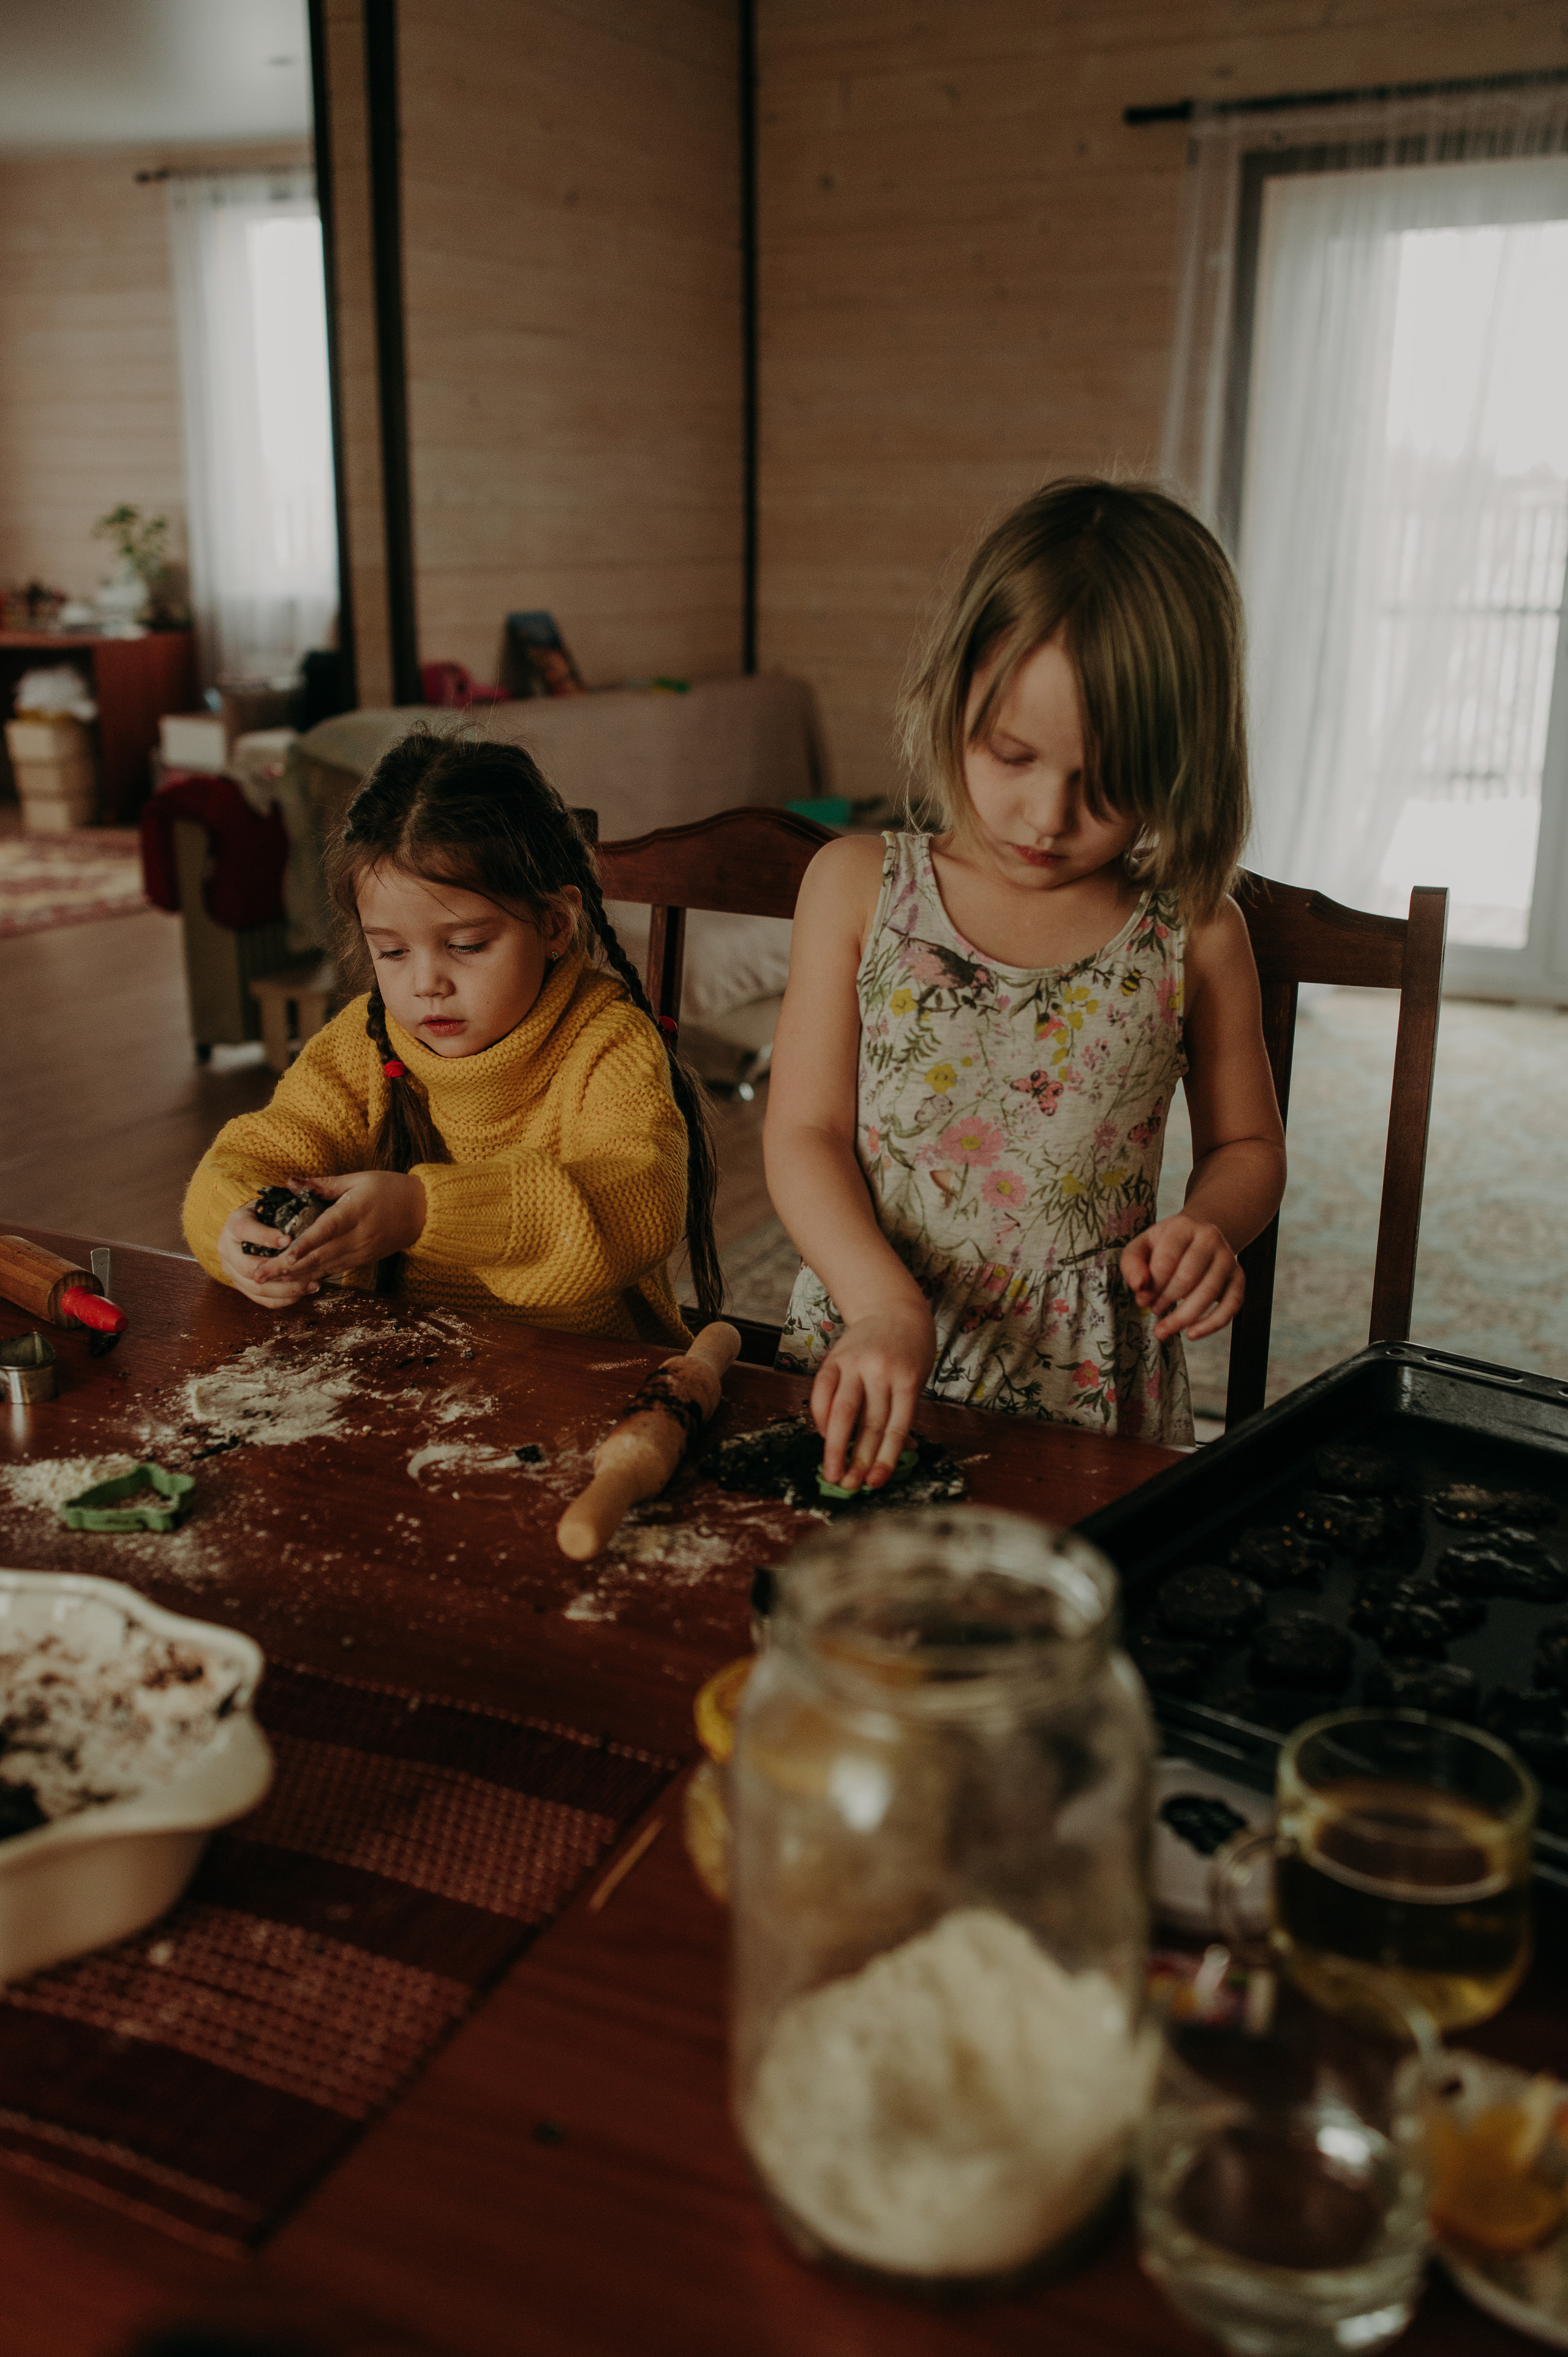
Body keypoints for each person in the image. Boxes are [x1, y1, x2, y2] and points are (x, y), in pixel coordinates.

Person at [765, 477, 1287, 1487]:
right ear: (952, 689)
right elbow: (803, 1136)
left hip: (1092, 1392)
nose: (1047, 816)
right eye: (1012, 754)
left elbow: (1248, 1143)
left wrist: (1212, 1225)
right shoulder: (857, 888)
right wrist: (884, 1306)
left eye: (1108, 784)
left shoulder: (1196, 929)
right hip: (876, 1346)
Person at [183, 732, 720, 1342]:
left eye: (466, 946)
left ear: (552, 924)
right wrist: (239, 1226)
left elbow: (636, 1207)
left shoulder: (607, 1041)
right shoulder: (360, 1043)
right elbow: (247, 1159)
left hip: (583, 1379)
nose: (426, 983)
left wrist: (420, 1211)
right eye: (391, 951)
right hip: (404, 1376)